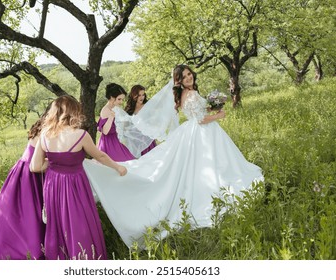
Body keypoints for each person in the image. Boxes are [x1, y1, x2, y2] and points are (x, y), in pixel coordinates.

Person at [83, 64, 264, 248]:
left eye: (189, 74)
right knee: (206, 164)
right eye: (184, 76)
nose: (188, 77)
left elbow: (197, 113)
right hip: (201, 132)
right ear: (179, 80)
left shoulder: (185, 93)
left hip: (193, 132)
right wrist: (218, 116)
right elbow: (199, 120)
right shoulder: (190, 94)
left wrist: (210, 109)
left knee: (198, 167)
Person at [30, 95, 126, 260]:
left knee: (58, 223)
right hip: (75, 184)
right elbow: (101, 156)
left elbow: (35, 167)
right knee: (79, 221)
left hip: (53, 184)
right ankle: (85, 258)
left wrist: (54, 164)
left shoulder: (45, 135)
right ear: (74, 112)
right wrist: (118, 167)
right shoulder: (80, 135)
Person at [0, 109, 49, 260]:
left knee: (20, 212)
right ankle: (28, 250)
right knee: (28, 213)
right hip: (30, 174)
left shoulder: (42, 126)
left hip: (24, 171)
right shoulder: (47, 130)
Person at [97, 83, 135, 162]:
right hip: (108, 144)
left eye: (122, 99)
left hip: (115, 140)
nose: (121, 102)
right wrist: (111, 117)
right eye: (119, 99)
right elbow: (105, 131)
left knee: (129, 161)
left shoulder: (115, 107)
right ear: (111, 97)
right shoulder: (106, 110)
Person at [124, 85, 157, 156]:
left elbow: (152, 121)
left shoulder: (147, 106)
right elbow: (125, 126)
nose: (142, 97)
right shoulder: (129, 109)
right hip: (134, 140)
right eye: (139, 95)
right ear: (133, 96)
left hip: (146, 139)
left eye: (143, 95)